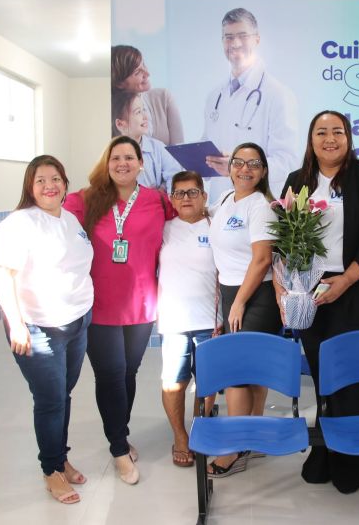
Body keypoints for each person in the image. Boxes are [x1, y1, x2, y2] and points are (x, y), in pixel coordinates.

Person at [277, 110, 359, 494]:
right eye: (321, 132)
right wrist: (287, 289)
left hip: (353, 289)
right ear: (311, 140)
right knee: (321, 371)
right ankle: (324, 449)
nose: (330, 138)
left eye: (337, 132)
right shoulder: (298, 181)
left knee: (347, 375)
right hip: (309, 291)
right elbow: (284, 238)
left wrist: (346, 280)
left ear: (348, 138)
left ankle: (350, 456)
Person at [64, 136, 174, 486]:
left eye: (130, 157)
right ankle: (118, 449)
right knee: (110, 375)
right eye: (116, 158)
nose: (122, 163)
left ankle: (120, 434)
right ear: (106, 163)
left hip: (142, 304)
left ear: (142, 163)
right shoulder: (85, 199)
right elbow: (55, 226)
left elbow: (188, 221)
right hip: (99, 305)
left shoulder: (157, 200)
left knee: (129, 372)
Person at [0, 155, 93, 504]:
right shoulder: (19, 224)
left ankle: (60, 457)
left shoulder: (70, 219)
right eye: (40, 180)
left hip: (77, 321)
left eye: (56, 178)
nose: (49, 185)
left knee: (62, 395)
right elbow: (4, 274)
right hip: (38, 327)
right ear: (29, 187)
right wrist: (17, 324)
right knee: (50, 400)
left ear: (65, 183)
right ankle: (51, 470)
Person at [206, 142, 281, 477]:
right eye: (239, 162)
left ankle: (233, 448)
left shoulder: (260, 206)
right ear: (230, 166)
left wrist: (238, 301)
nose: (245, 169)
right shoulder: (225, 200)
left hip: (257, 295)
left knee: (237, 371)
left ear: (263, 171)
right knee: (251, 371)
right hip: (232, 291)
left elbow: (262, 259)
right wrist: (226, 297)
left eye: (254, 164)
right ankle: (253, 435)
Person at [202, 7, 299, 201]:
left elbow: (288, 161)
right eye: (228, 37)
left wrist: (240, 166)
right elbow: (209, 150)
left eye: (242, 35)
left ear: (257, 39)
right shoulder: (215, 96)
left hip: (259, 204)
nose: (235, 43)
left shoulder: (278, 94)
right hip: (220, 205)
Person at [157, 171, 218, 468]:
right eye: (179, 193)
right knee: (174, 382)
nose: (186, 198)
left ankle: (199, 428)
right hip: (174, 321)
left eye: (192, 192)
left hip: (210, 320)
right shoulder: (164, 229)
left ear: (204, 197)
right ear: (171, 199)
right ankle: (180, 436)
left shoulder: (216, 226)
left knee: (207, 383)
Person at [112, 44, 184, 145]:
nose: (147, 73)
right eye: (137, 72)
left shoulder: (164, 98)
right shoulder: (112, 114)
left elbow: (179, 148)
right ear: (120, 84)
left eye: (144, 65)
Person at [112, 90, 184, 190]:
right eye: (138, 112)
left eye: (144, 110)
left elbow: (175, 176)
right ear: (120, 124)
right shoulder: (110, 154)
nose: (145, 117)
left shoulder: (158, 148)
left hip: (156, 203)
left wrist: (162, 190)